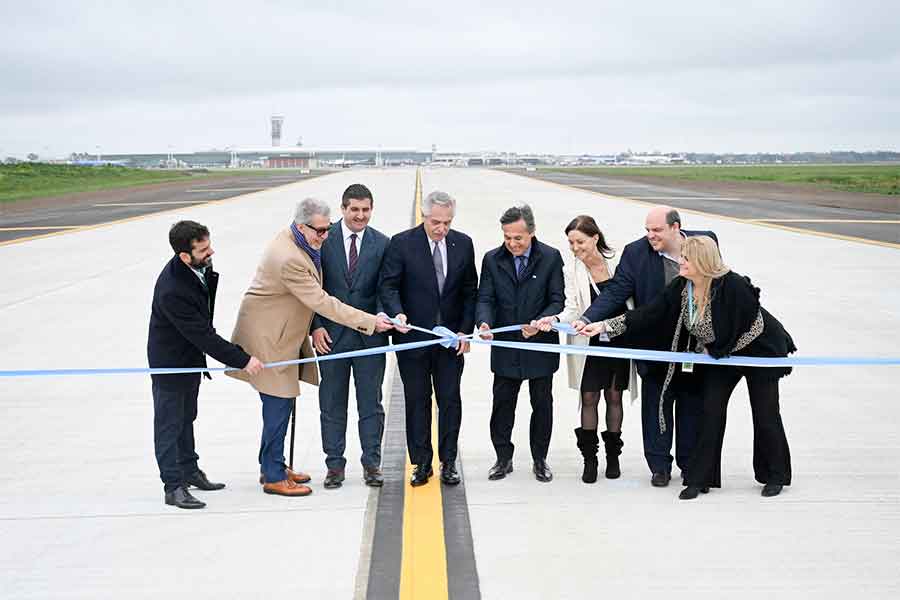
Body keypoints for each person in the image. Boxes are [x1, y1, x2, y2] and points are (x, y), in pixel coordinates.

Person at [583, 236, 795, 500]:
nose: (680, 262)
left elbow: (739, 324)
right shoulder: (682, 287)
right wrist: (604, 326)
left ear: (701, 262)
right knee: (710, 410)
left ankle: (774, 475)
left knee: (765, 412)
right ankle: (700, 478)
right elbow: (650, 313)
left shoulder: (733, 285)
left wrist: (713, 349)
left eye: (685, 258)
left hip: (757, 350)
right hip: (722, 355)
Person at [228, 198, 393, 497]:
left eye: (326, 230)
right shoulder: (289, 257)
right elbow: (321, 301)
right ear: (302, 226)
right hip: (271, 340)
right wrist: (369, 321)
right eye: (319, 230)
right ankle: (274, 476)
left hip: (284, 335)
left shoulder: (297, 239)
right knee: (278, 406)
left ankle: (273, 464)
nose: (324, 236)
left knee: (283, 405)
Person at [572, 206, 717, 487]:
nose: (650, 235)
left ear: (676, 228)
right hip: (654, 344)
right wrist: (590, 317)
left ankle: (689, 465)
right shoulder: (636, 252)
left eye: (657, 230)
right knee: (656, 408)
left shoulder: (704, 243)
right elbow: (617, 291)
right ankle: (659, 466)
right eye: (647, 230)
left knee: (690, 407)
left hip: (692, 347)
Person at [148, 220, 264, 510]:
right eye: (203, 249)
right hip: (170, 364)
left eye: (208, 245)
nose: (210, 252)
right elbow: (203, 335)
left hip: (189, 360)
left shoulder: (198, 268)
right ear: (184, 255)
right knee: (169, 425)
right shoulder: (172, 289)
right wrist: (243, 360)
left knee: (187, 418)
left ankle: (190, 470)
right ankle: (173, 486)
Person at [379, 190, 478, 487]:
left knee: (450, 401)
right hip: (413, 341)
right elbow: (389, 286)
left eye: (447, 222)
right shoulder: (401, 243)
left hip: (450, 342)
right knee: (417, 401)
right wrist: (397, 314)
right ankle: (421, 462)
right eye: (436, 222)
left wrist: (465, 330)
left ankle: (448, 462)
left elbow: (470, 291)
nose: (441, 228)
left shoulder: (463, 243)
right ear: (424, 216)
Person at [533, 215, 637, 482]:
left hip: (618, 339)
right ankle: (589, 459)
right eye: (570, 243)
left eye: (580, 241)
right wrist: (554, 320)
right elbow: (571, 309)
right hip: (587, 342)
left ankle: (613, 457)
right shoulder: (572, 270)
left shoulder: (618, 262)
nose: (575, 248)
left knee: (615, 397)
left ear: (595, 238)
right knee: (589, 398)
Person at [476, 205, 565, 482]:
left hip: (540, 344)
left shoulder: (550, 257)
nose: (512, 244)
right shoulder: (492, 259)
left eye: (518, 238)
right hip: (506, 344)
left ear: (532, 233)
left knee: (542, 404)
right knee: (502, 404)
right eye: (507, 238)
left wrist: (540, 322)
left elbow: (557, 299)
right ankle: (503, 458)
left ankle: (540, 459)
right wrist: (484, 323)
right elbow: (485, 298)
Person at [311, 184, 390, 489]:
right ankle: (334, 465)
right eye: (354, 209)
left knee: (371, 404)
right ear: (343, 209)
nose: (360, 215)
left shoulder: (382, 243)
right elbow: (311, 289)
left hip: (370, 339)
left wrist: (383, 315)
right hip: (330, 338)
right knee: (332, 403)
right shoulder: (322, 238)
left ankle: (372, 463)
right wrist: (315, 326)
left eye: (366, 209)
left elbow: (386, 288)